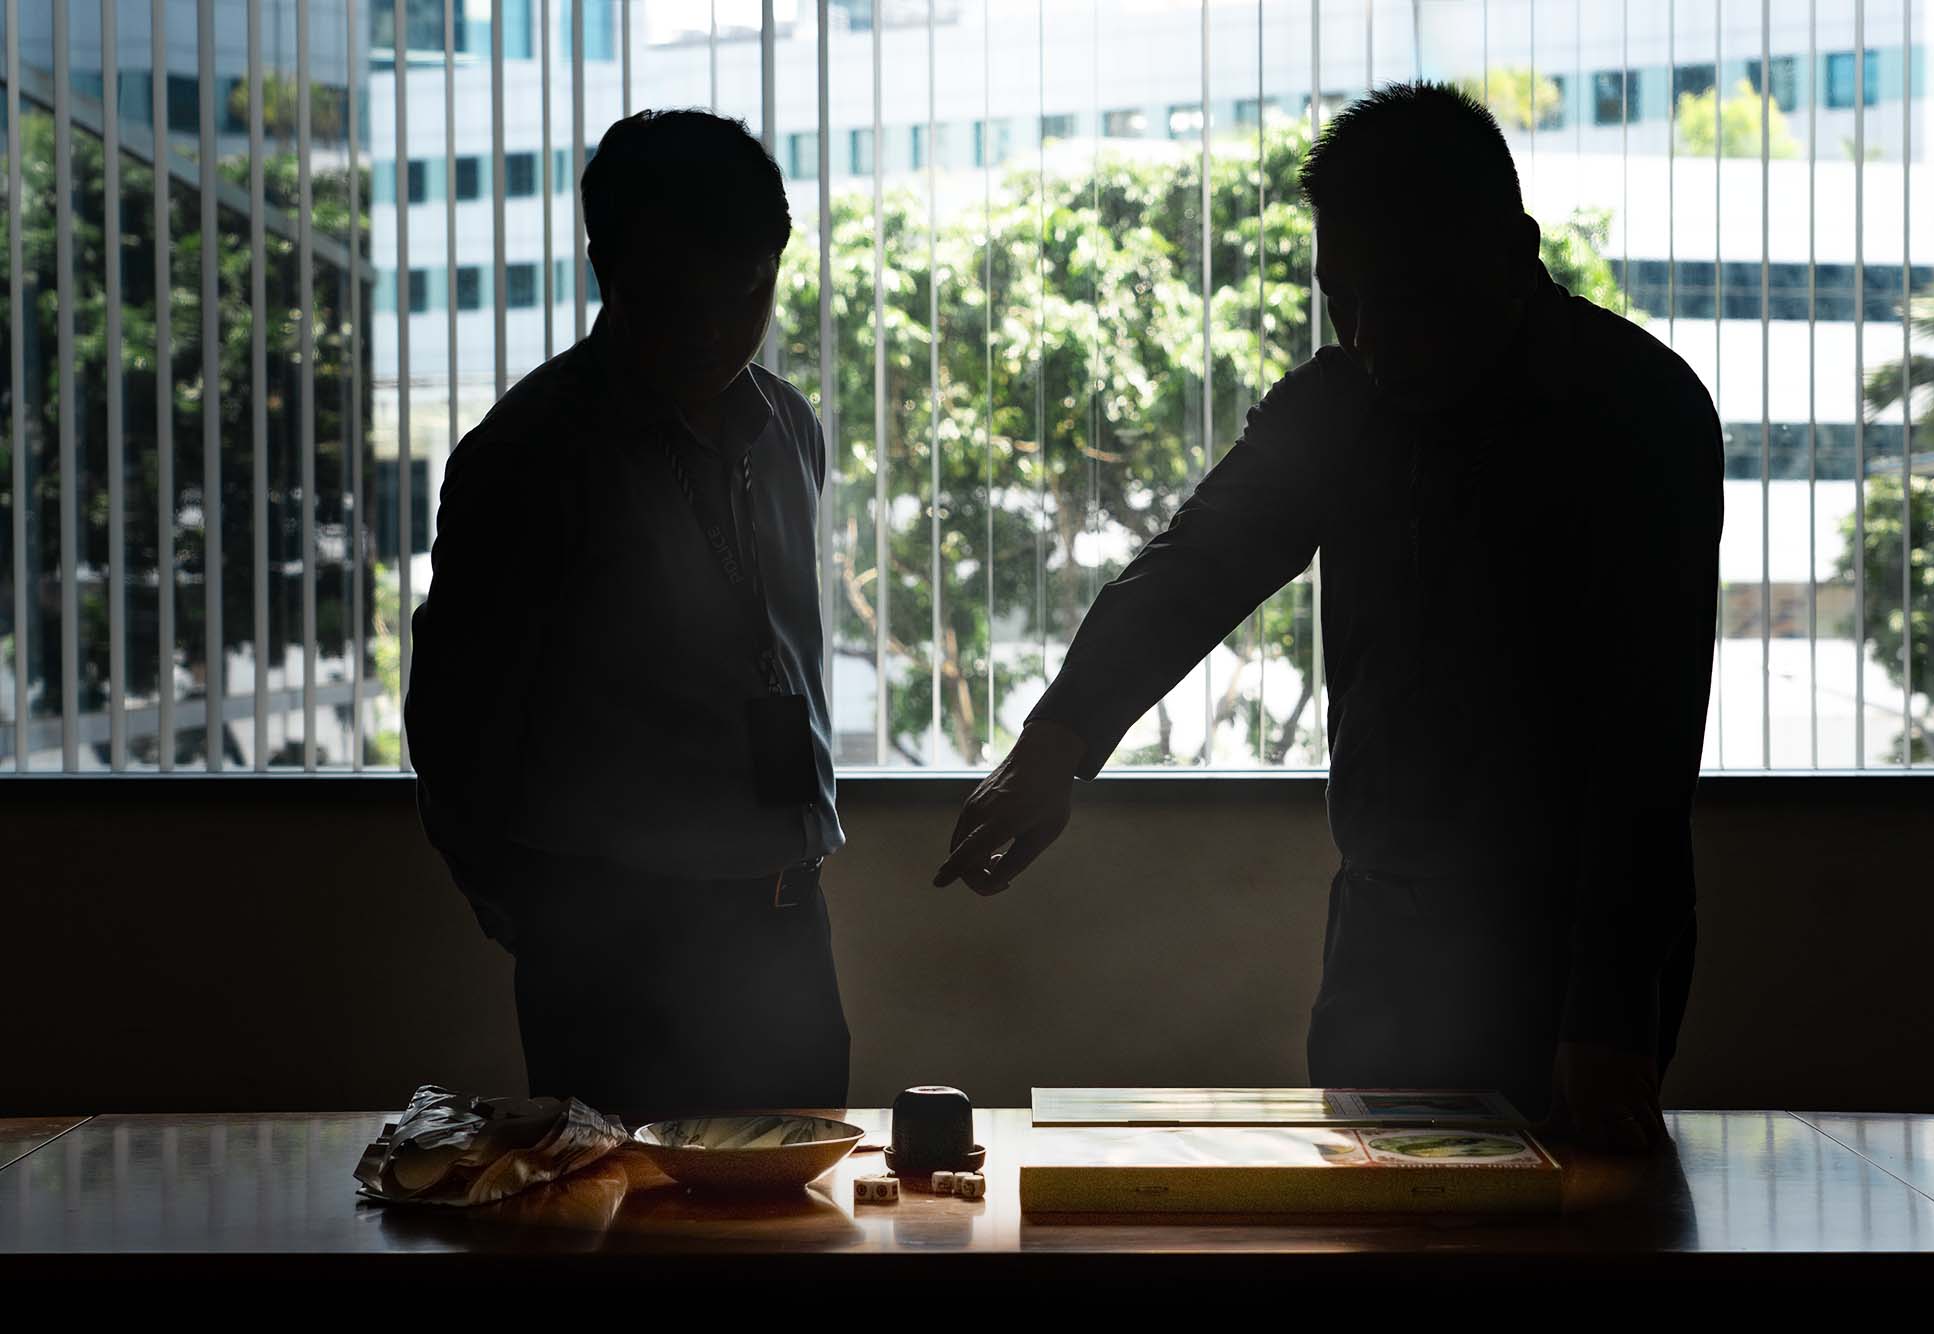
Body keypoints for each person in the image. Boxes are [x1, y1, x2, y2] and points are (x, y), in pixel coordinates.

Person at [932, 83, 1723, 1152]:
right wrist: (1055, 739)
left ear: (1514, 248)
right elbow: (1194, 564)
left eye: (1406, 297)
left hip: (1571, 945)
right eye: (1340, 297)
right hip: (1382, 940)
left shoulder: (1636, 409)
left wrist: (1606, 1019)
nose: (1371, 335)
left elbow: (1644, 752)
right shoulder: (1343, 398)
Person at [406, 109, 849, 1123]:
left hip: (786, 914)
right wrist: (544, 918)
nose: (710, 330)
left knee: (796, 1224)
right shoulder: (529, 453)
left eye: (741, 294)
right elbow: (451, 711)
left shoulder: (785, 426)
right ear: (607, 263)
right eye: (674, 296)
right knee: (617, 1229)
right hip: (615, 941)